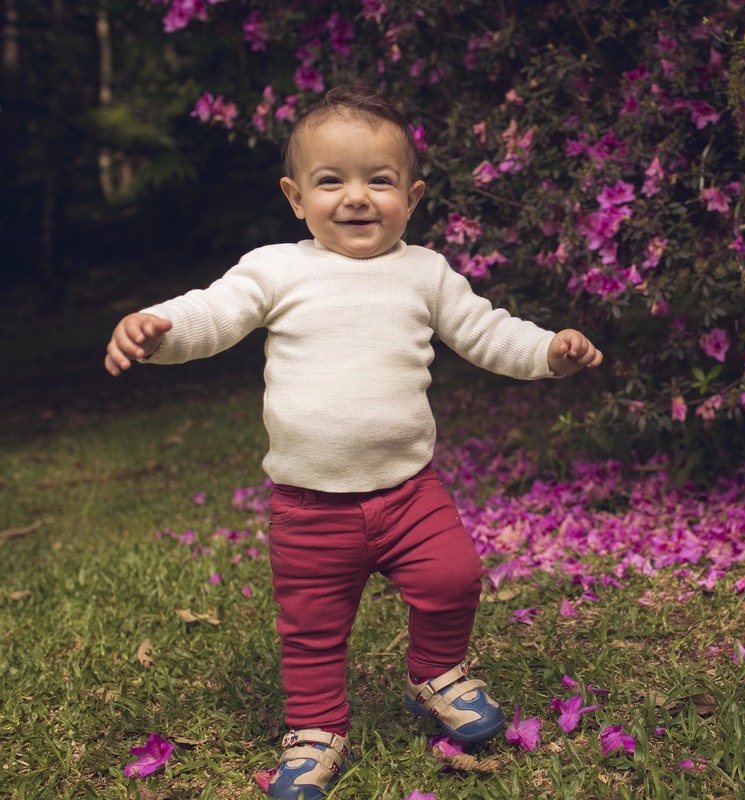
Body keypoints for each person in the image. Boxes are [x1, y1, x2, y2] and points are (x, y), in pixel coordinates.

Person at [104, 85, 603, 799]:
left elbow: (488, 331)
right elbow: (212, 313)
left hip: (409, 492)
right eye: (332, 181)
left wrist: (548, 351)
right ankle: (315, 731)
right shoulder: (277, 268)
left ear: (413, 196)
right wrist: (158, 330)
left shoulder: (425, 272)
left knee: (454, 578)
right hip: (310, 509)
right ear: (296, 197)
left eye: (381, 180)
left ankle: (435, 674)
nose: (357, 197)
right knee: (312, 629)